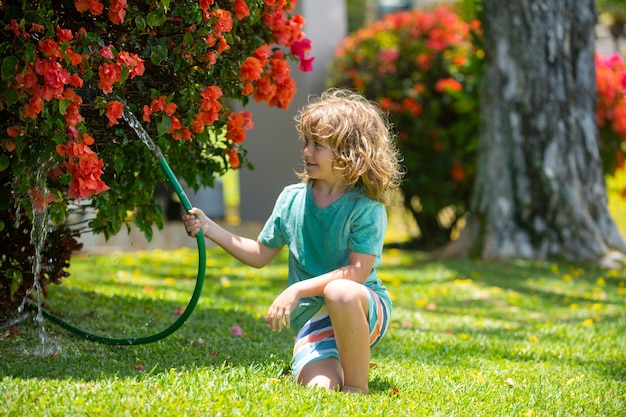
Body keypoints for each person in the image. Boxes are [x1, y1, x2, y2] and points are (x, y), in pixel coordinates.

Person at [182, 88, 404, 394]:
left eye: (318, 145)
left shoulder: (365, 208)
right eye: (306, 142)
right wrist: (209, 228)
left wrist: (297, 288)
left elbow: (356, 273)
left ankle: (356, 387)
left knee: (339, 291)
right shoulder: (292, 199)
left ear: (348, 151)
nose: (306, 152)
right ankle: (335, 365)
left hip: (361, 308)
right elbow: (260, 253)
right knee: (319, 389)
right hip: (314, 318)